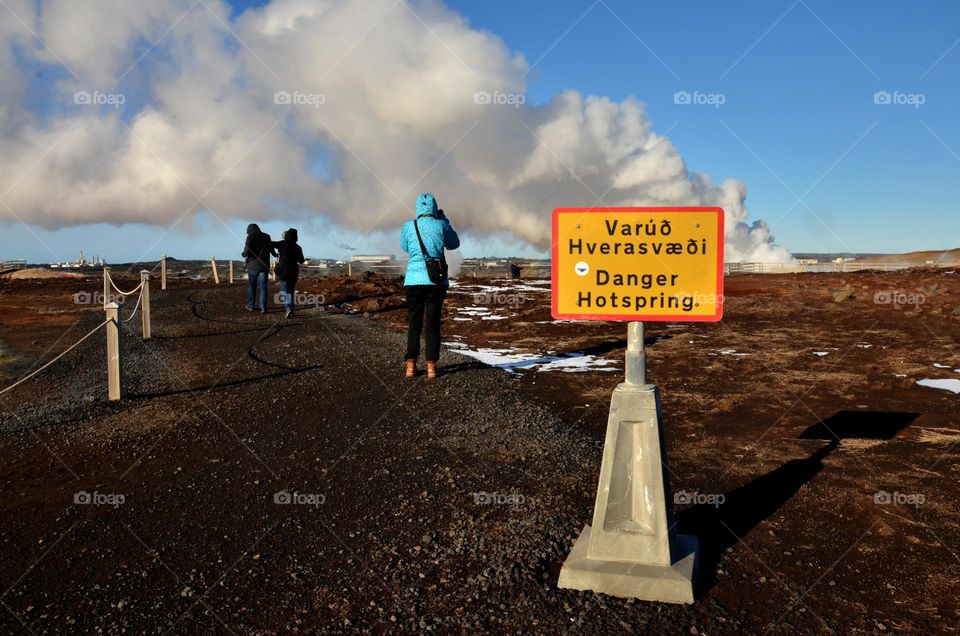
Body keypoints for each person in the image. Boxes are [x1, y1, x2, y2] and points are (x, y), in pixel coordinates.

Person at [400, 192, 460, 379]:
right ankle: (431, 367)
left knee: (414, 323)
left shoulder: (409, 226)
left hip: (413, 281)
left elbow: (405, 247)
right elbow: (454, 244)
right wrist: (444, 220)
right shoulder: (441, 224)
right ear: (434, 207)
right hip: (436, 281)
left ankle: (410, 366)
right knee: (432, 323)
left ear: (418, 208)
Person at [242, 223, 275, 313]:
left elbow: (246, 251)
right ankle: (263, 307)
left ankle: (250, 305)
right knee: (263, 287)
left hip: (253, 265)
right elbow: (271, 250)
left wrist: (243, 254)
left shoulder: (250, 237)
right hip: (264, 266)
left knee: (252, 286)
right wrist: (276, 254)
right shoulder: (267, 236)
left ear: (249, 230)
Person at [272, 228, 306, 319]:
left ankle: (288, 308)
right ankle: (291, 307)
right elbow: (301, 261)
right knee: (291, 290)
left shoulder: (282, 244)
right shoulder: (298, 247)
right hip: (294, 271)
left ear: (286, 235)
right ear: (296, 237)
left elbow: (270, 243)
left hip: (283, 271)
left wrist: (274, 253)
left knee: (284, 290)